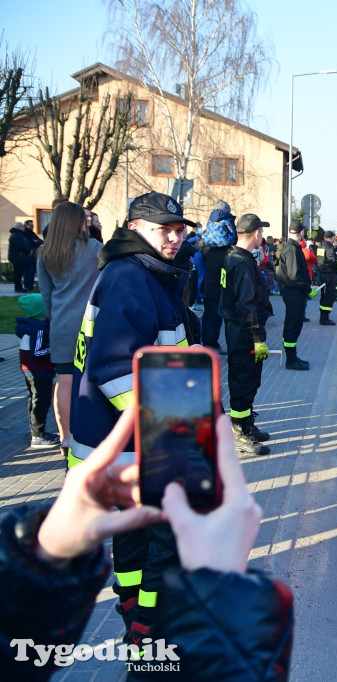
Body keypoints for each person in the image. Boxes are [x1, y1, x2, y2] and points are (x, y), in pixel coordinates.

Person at [0, 408, 294, 681]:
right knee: (161, 553)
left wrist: (38, 560)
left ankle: (142, 635)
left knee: (143, 553)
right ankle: (147, 636)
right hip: (159, 460)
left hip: (131, 462)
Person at [68, 191, 200, 652]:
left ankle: (136, 621)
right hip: (138, 444)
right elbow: (116, 370)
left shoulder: (143, 273)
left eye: (180, 228)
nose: (175, 236)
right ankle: (151, 632)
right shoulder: (131, 276)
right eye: (164, 228)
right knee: (165, 540)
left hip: (122, 443)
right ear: (134, 228)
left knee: (137, 540)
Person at [37, 201, 103, 460]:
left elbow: (45, 293)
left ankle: (66, 437)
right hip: (91, 324)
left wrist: (56, 319)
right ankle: (91, 433)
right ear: (77, 222)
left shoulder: (45, 253)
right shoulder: (95, 249)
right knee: (90, 381)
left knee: (64, 382)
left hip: (61, 323)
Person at [219, 213, 273, 455]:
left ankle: (246, 424)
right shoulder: (241, 262)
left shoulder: (235, 256)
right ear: (257, 233)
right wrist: (257, 337)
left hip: (238, 328)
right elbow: (246, 304)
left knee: (249, 379)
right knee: (243, 379)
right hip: (244, 331)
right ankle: (239, 432)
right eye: (261, 231)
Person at [15, 294, 59, 449]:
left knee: (34, 400)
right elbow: (37, 352)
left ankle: (37, 432)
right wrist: (55, 349)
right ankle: (38, 437)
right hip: (39, 371)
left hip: (31, 371)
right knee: (41, 402)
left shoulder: (31, 326)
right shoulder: (39, 328)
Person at [275, 221, 312, 370]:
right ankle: (291, 359)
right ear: (302, 232)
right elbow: (294, 275)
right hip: (293, 293)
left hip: (294, 292)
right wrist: (308, 289)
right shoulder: (292, 249)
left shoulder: (292, 247)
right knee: (292, 325)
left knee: (295, 324)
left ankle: (293, 356)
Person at [200, 206, 235, 352]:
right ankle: (211, 346)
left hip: (209, 286)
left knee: (210, 318)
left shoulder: (207, 249)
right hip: (221, 288)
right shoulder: (229, 251)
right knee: (218, 319)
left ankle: (209, 344)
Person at [8, 221, 43, 293]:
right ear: (18, 227)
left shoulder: (21, 235)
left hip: (22, 257)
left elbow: (32, 242)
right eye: (21, 227)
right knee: (18, 273)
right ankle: (18, 288)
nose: (23, 228)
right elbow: (19, 245)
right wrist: (28, 251)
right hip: (18, 257)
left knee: (20, 273)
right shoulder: (15, 235)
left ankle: (23, 287)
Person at [316, 230, 337, 326]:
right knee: (330, 296)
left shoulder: (320, 246)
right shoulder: (329, 247)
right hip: (329, 274)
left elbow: (320, 260)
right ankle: (325, 318)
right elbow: (331, 260)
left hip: (321, 273)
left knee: (323, 296)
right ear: (332, 238)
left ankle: (322, 317)